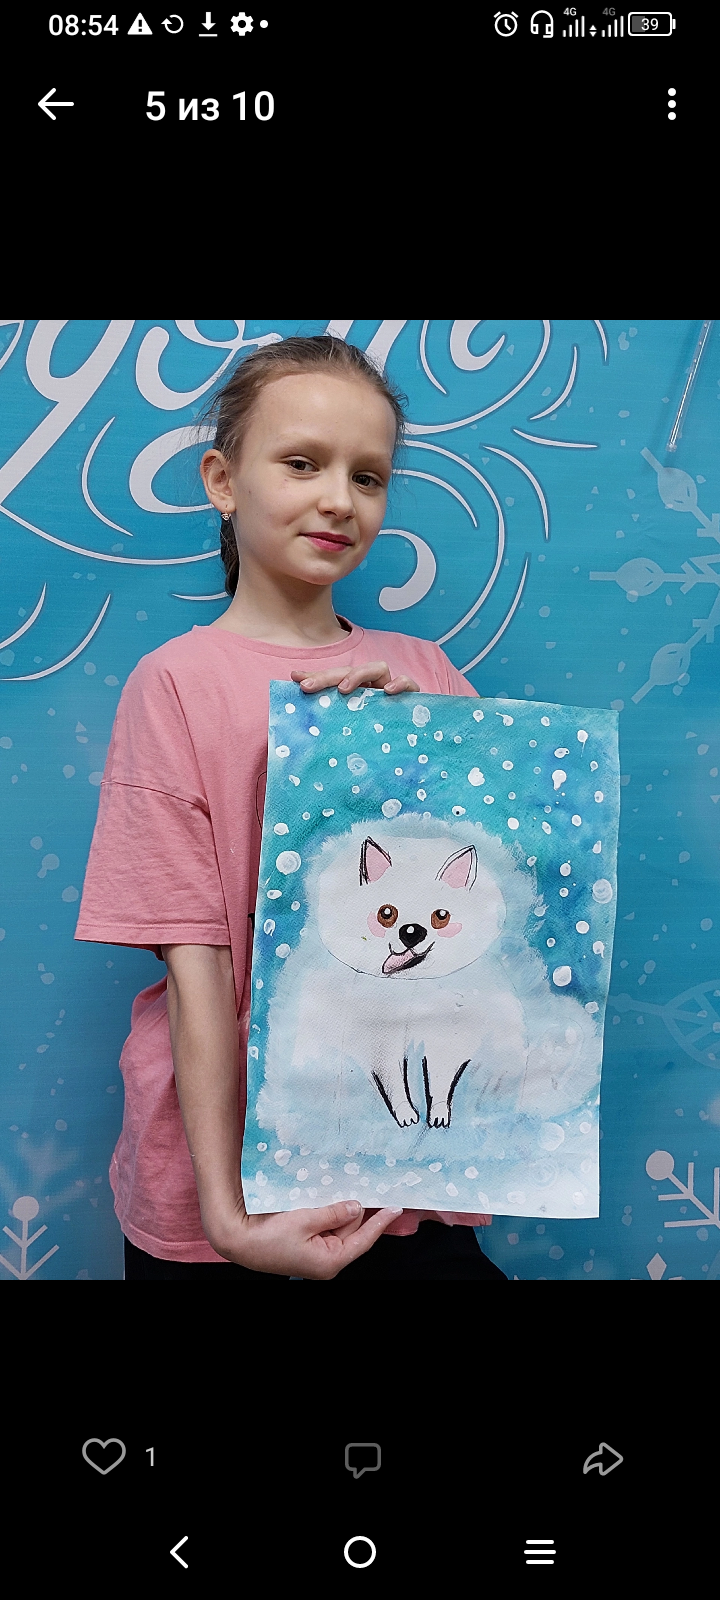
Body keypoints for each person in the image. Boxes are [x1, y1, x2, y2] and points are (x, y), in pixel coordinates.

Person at [75, 335, 507, 1282]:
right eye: (302, 463)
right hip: (224, 1177)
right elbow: (196, 962)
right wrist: (227, 1219)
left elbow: (503, 912)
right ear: (222, 481)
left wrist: (430, 749)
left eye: (368, 476)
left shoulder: (425, 675)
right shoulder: (175, 684)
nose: (338, 499)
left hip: (402, 1161)